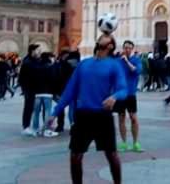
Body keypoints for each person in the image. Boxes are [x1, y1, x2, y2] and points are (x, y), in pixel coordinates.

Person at [46, 34, 127, 184]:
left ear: (110, 46)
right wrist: (55, 113)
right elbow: (70, 90)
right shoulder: (83, 64)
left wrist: (114, 97)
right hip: (83, 115)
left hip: (103, 116)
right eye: (102, 35)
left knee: (111, 154)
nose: (103, 36)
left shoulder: (114, 65)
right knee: (75, 155)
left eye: (107, 36)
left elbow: (124, 90)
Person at [115, 40, 143, 152]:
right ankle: (124, 143)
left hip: (131, 93)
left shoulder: (136, 60)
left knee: (133, 118)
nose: (127, 50)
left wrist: (127, 62)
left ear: (132, 49)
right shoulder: (118, 61)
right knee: (121, 118)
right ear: (123, 48)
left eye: (129, 48)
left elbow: (136, 71)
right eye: (125, 47)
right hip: (120, 94)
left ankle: (136, 142)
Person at [32, 53, 57, 137]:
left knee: (36, 112)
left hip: (37, 93)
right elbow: (53, 79)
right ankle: (46, 130)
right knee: (47, 112)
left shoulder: (36, 67)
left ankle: (35, 129)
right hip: (47, 92)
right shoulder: (50, 66)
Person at [19, 44, 40, 136]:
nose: (39, 52)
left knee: (31, 108)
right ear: (32, 51)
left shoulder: (34, 61)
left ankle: (28, 126)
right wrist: (25, 89)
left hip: (33, 88)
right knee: (28, 107)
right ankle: (26, 126)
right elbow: (22, 77)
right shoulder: (27, 62)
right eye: (38, 50)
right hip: (29, 88)